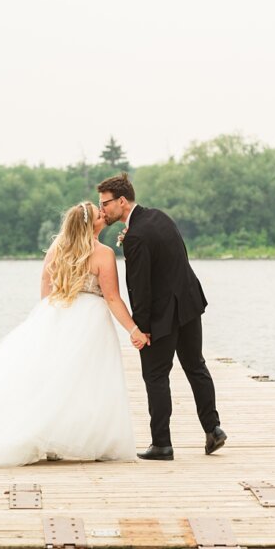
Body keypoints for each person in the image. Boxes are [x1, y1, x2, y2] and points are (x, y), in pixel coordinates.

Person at [0, 202, 139, 467]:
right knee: (90, 381)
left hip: (58, 312)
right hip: (90, 321)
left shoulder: (58, 247)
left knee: (53, 380)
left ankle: (53, 438)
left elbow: (45, 281)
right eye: (99, 213)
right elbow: (111, 297)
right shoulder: (104, 254)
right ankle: (91, 440)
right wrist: (133, 329)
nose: (103, 214)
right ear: (91, 224)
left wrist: (48, 314)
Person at [96, 172, 226, 460]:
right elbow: (180, 257)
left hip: (162, 315)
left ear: (121, 201)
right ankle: (213, 428)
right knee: (196, 366)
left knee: (155, 376)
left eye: (105, 204)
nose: (102, 210)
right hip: (189, 303)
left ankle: (162, 444)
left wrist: (140, 329)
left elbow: (139, 287)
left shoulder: (135, 236)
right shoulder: (160, 216)